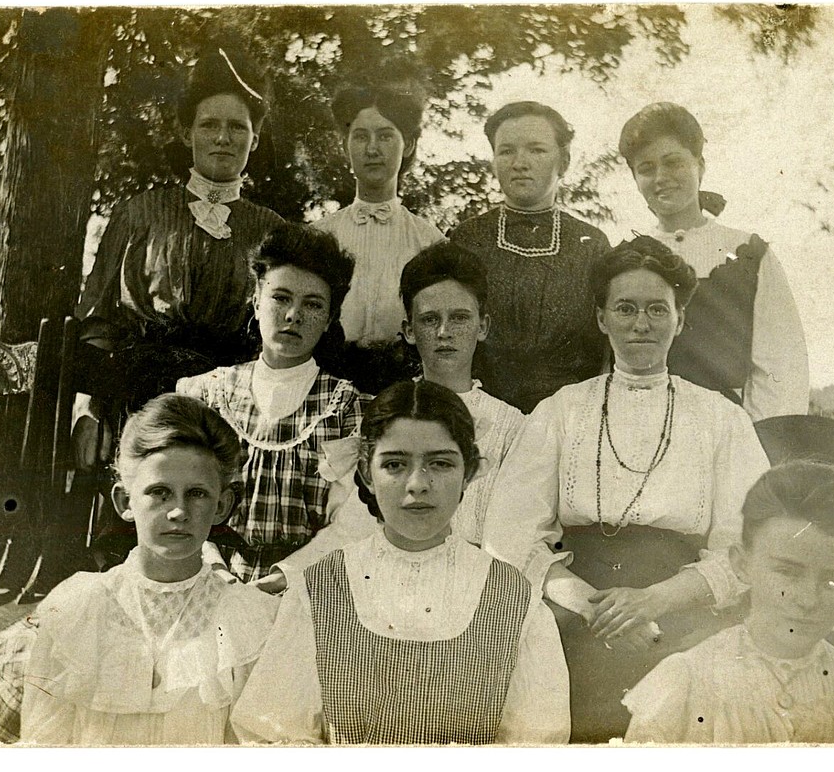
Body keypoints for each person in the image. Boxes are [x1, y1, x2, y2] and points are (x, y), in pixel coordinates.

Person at [484, 236, 771, 742]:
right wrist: (595, 607)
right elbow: (510, 536)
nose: (641, 324)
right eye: (626, 308)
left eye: (658, 310)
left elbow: (748, 549)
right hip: (571, 615)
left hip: (681, 616)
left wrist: (655, 602)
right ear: (602, 319)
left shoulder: (722, 420)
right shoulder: (560, 411)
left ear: (680, 320)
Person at [231, 381, 569, 745]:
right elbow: (273, 733)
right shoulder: (319, 590)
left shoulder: (515, 599)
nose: (417, 484)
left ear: (468, 473)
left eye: (440, 463)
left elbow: (538, 747)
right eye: (395, 464)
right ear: (366, 474)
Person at [21, 394, 280, 745]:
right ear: (125, 502)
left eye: (197, 494)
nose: (178, 512)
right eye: (160, 492)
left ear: (221, 506)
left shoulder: (246, 619)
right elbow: (43, 747)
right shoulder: (79, 607)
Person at [74, 46, 284, 444]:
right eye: (209, 125)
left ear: (254, 140)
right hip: (136, 405)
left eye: (238, 127)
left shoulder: (272, 232)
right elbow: (98, 320)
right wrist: (86, 411)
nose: (223, 138)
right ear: (186, 132)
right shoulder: (139, 214)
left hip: (232, 414)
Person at [623, 461, 834, 743]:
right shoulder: (684, 685)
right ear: (742, 564)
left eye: (832, 579)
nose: (808, 600)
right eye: (787, 572)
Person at [177, 223, 372, 588]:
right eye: (280, 298)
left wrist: (288, 576)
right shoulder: (206, 396)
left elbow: (352, 523)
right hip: (208, 579)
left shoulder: (346, 408)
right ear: (256, 301)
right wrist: (214, 569)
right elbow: (181, 497)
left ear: (330, 319)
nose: (293, 315)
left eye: (312, 304)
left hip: (309, 585)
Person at [617, 101, 808, 421]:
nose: (661, 177)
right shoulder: (626, 257)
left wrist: (754, 446)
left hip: (728, 432)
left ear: (700, 166)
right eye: (646, 168)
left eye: (673, 162)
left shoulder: (748, 254)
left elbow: (781, 370)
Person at [448, 101, 608, 414]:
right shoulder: (467, 239)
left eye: (536, 150)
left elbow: (604, 346)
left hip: (569, 415)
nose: (519, 162)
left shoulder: (592, 245)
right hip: (482, 413)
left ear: (563, 161)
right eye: (506, 151)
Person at [398, 242, 525, 545]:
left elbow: (515, 530)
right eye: (430, 319)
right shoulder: (386, 415)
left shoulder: (512, 427)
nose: (444, 332)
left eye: (459, 317)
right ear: (410, 331)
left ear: (483, 326)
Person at [312, 72, 444, 355]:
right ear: (345, 146)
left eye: (385, 136)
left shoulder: (430, 243)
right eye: (360, 137)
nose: (372, 149)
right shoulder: (318, 237)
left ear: (407, 145)